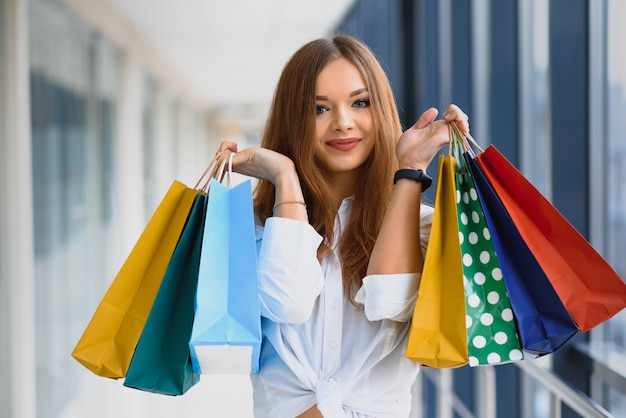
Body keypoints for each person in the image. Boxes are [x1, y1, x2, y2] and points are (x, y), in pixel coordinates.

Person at [218, 35, 469, 418]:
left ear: (379, 109)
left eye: (360, 102)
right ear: (294, 119)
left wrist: (411, 171)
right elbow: (289, 300)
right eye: (320, 109)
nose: (343, 123)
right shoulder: (259, 224)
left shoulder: (419, 223)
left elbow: (391, 301)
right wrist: (285, 176)